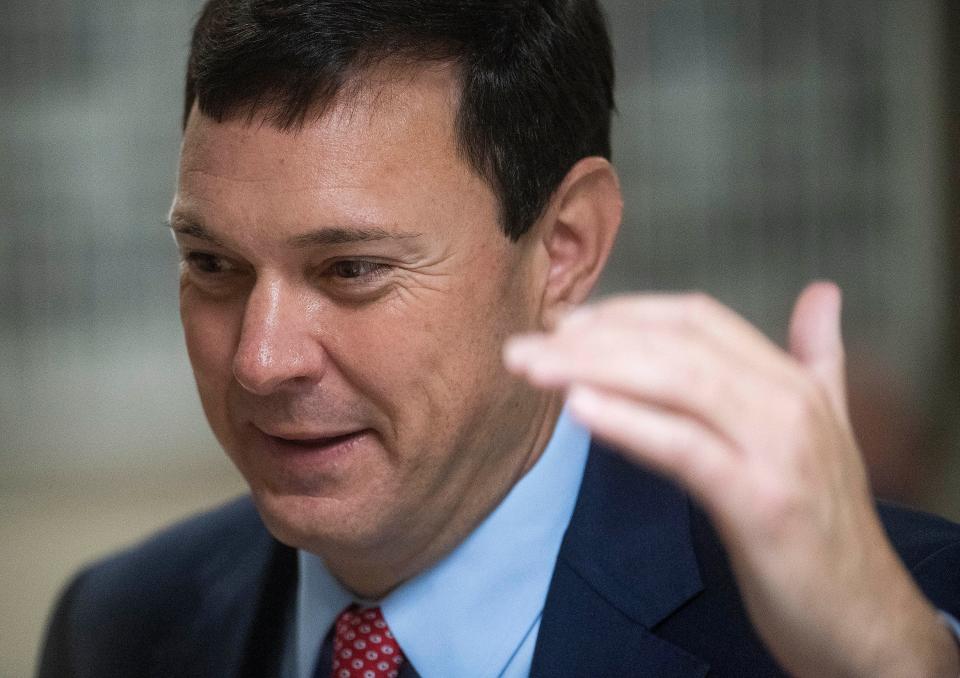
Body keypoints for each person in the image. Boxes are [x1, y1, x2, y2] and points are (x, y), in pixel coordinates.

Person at [38, 1, 960, 676]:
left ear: (565, 249)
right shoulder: (117, 627)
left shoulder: (897, 618)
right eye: (212, 263)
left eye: (351, 269)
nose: (261, 359)